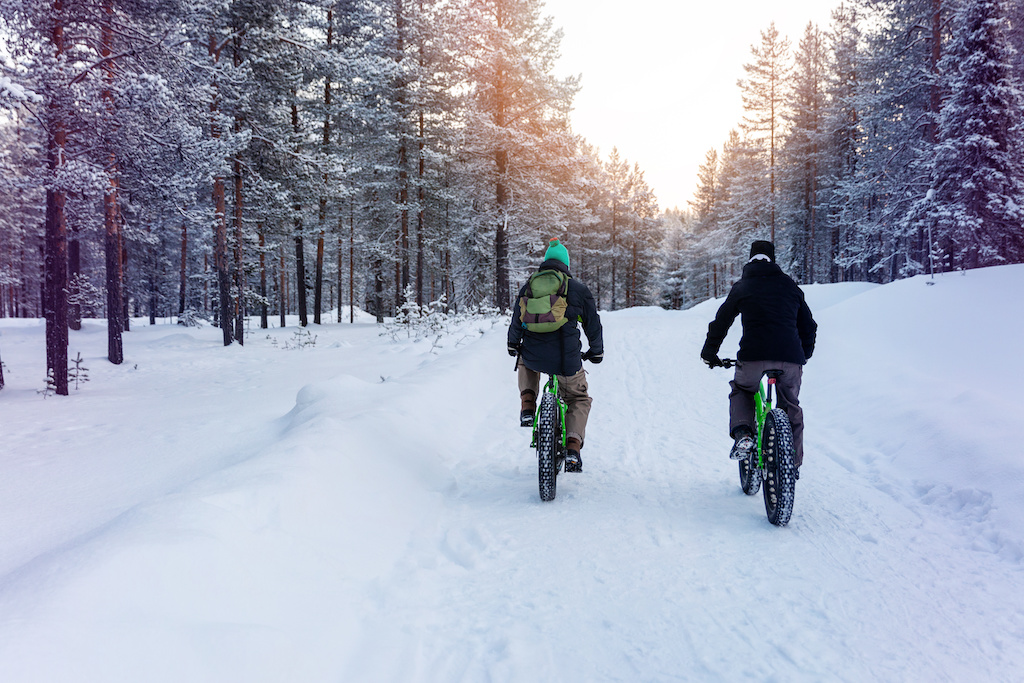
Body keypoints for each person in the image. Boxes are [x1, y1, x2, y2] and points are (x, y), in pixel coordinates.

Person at [700, 240, 817, 476]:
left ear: (750, 259)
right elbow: (809, 326)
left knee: (742, 390)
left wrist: (709, 353)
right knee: (790, 405)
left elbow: (721, 322)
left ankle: (744, 434)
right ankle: (791, 465)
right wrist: (803, 354)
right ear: (773, 260)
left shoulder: (743, 287)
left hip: (753, 358)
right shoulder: (790, 286)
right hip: (789, 360)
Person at [508, 238, 604, 472]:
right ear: (566, 264)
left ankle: (528, 407)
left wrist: (512, 344)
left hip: (534, 356)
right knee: (578, 399)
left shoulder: (529, 285)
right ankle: (573, 447)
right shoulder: (578, 289)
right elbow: (593, 325)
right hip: (567, 358)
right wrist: (596, 351)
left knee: (524, 360)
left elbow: (517, 319)